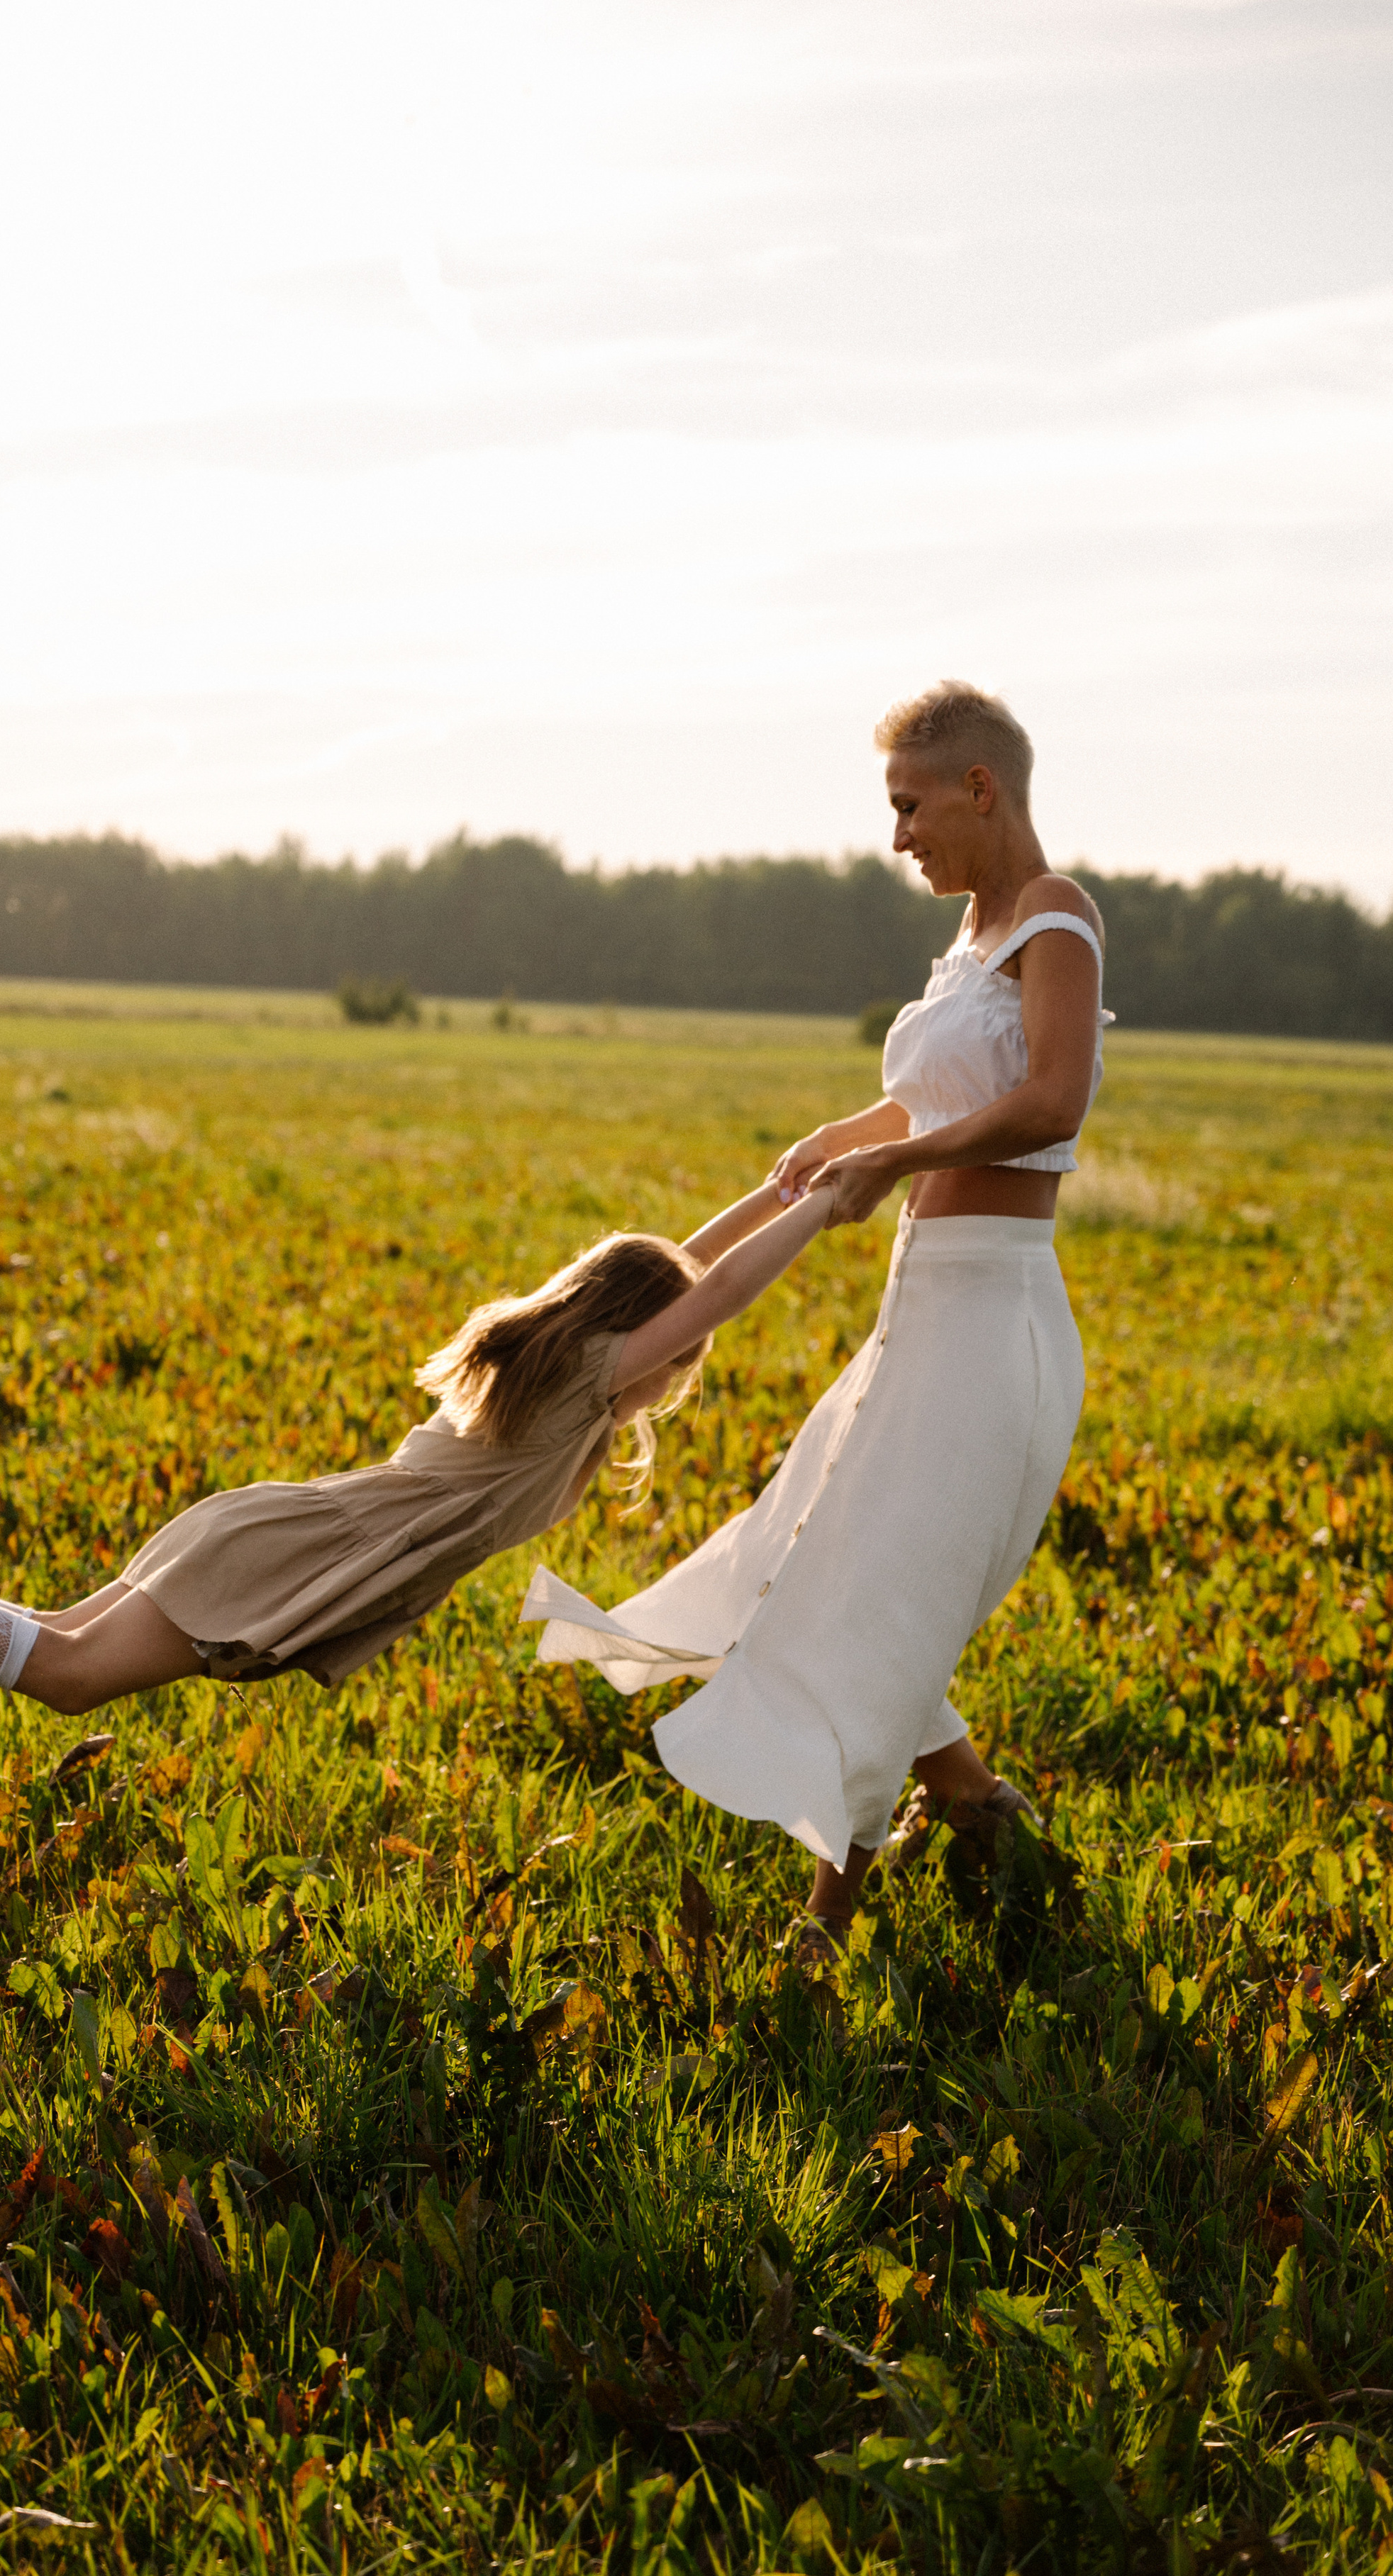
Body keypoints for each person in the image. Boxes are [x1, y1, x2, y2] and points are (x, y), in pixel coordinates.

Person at [523, 681, 1110, 1961]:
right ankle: (970, 1802)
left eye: (910, 806)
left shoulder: (1057, 919)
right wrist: (846, 1139)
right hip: (924, 1305)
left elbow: (1052, 1104)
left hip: (995, 1316)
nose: (899, 835)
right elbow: (940, 1094)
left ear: (979, 789)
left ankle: (828, 1922)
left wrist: (893, 1168)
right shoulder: (968, 937)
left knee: (878, 1590)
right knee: (830, 1548)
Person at [0, 1179, 836, 1724]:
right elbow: (718, 1285)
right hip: (296, 1550)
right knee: (70, 1675)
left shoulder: (564, 1355)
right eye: (677, 1362)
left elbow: (685, 1265)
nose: (675, 1381)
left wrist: (779, 1186)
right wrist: (820, 1208)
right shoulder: (591, 1373)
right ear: (641, 1339)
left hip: (291, 1529)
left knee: (59, 1646)